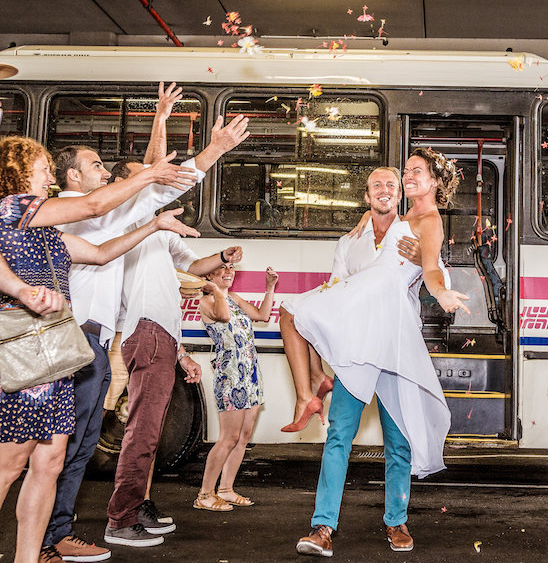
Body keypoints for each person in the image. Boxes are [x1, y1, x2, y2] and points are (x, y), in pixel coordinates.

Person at [41, 81, 237, 562]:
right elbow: (151, 181)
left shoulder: (104, 217)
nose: (106, 174)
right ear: (72, 176)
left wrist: (155, 216)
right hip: (80, 335)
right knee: (59, 447)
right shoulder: (85, 211)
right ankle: (56, 536)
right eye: (96, 166)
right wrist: (213, 149)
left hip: (97, 339)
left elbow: (148, 191)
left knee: (81, 444)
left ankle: (58, 533)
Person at [0, 136, 199, 563]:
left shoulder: (46, 230)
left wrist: (153, 226)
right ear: (17, 172)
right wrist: (149, 174)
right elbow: (93, 207)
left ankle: (30, 557)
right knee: (11, 465)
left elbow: (102, 252)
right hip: (25, 358)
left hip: (56, 358)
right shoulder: (11, 210)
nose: (50, 176)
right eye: (42, 168)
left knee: (50, 464)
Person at [292, 151, 469, 557]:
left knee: (399, 439)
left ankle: (396, 521)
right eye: (387, 181)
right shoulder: (352, 238)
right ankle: (322, 527)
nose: (397, 184)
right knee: (339, 434)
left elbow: (433, 268)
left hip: (393, 344)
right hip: (356, 347)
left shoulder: (418, 227)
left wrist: (439, 288)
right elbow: (338, 287)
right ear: (368, 195)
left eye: (406, 177)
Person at [104, 111, 250, 548]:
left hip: (163, 335)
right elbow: (166, 178)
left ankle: (138, 505)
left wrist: (223, 256)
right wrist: (216, 147)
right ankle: (121, 518)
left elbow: (195, 265)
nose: (150, 180)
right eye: (141, 177)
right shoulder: (126, 215)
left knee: (151, 431)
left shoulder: (157, 231)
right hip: (145, 332)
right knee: (142, 432)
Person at [193, 263, 278, 512]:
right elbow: (225, 316)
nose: (228, 272)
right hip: (230, 375)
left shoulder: (234, 297)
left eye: (231, 268)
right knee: (228, 437)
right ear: (209, 274)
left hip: (249, 373)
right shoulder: (208, 302)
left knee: (243, 436)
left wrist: (270, 288)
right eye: (222, 269)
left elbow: (262, 315)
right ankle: (204, 494)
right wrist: (217, 290)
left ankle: (226, 489)